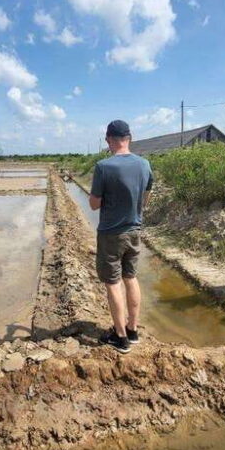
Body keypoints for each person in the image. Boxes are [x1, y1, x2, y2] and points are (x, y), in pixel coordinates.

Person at [89, 120, 154, 353]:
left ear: (108, 139)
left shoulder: (104, 167)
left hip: (111, 234)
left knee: (113, 283)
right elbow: (145, 199)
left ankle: (120, 336)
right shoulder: (145, 165)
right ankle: (133, 330)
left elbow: (94, 205)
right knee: (131, 277)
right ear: (130, 137)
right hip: (134, 230)